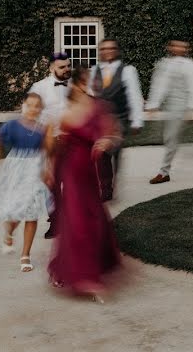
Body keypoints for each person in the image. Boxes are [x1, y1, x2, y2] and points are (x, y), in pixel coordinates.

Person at [47, 65, 122, 301]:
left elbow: (113, 133)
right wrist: (50, 170)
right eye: (89, 80)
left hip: (90, 173)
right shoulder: (66, 112)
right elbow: (56, 146)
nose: (93, 84)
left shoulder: (98, 107)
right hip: (72, 172)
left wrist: (106, 142)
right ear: (80, 83)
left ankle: (66, 266)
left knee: (93, 218)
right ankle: (87, 279)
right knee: (78, 222)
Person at [0, 93, 50, 273]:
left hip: (35, 170)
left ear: (41, 109)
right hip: (16, 170)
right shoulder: (13, 125)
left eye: (37, 106)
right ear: (23, 105)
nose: (33, 109)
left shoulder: (43, 128)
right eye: (29, 105)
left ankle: (25, 255)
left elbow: (46, 150)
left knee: (32, 213)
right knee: (16, 211)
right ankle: (9, 232)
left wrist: (46, 169)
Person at [89, 39, 144, 201]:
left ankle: (112, 179)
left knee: (114, 152)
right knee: (103, 152)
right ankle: (106, 188)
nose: (107, 51)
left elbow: (134, 96)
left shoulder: (128, 71)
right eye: (103, 49)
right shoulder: (94, 70)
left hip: (119, 118)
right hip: (101, 119)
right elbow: (89, 94)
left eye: (111, 48)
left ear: (117, 50)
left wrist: (137, 121)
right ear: (99, 52)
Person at [147, 39, 193, 184]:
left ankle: (163, 172)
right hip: (169, 107)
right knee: (174, 139)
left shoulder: (192, 66)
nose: (179, 48)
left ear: (186, 49)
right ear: (170, 47)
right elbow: (159, 85)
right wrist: (153, 104)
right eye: (176, 45)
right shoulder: (164, 64)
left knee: (171, 139)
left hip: (182, 107)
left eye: (182, 46)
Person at [28, 51, 72, 238]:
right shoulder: (38, 88)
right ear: (51, 68)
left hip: (73, 141)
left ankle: (72, 219)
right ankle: (55, 221)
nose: (67, 69)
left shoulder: (76, 85)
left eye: (69, 65)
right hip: (50, 142)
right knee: (52, 184)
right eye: (62, 67)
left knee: (73, 182)